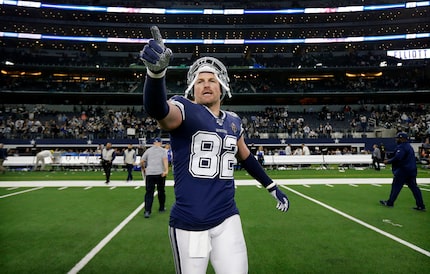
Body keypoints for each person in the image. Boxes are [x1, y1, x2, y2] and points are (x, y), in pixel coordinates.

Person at [140, 26, 289, 274]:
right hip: (191, 225)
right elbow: (158, 109)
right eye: (200, 81)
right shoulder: (184, 109)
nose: (206, 84)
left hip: (228, 218)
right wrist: (156, 75)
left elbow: (246, 156)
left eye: (211, 80)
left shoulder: (233, 120)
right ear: (192, 89)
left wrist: (271, 186)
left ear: (222, 87)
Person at [380, 132, 425, 211]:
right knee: (414, 188)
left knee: (396, 187)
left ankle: (390, 202)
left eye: (398, 138)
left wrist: (388, 161)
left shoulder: (402, 147)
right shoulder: (409, 146)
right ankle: (420, 205)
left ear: (402, 139)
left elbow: (398, 157)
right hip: (412, 170)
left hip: (403, 170)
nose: (397, 140)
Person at [140, 137, 169, 218]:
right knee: (161, 191)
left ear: (153, 143)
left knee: (149, 192)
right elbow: (165, 160)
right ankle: (162, 207)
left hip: (150, 173)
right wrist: (166, 170)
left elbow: (142, 161)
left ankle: (147, 211)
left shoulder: (148, 150)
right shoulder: (163, 151)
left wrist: (144, 169)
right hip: (160, 173)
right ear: (160, 143)